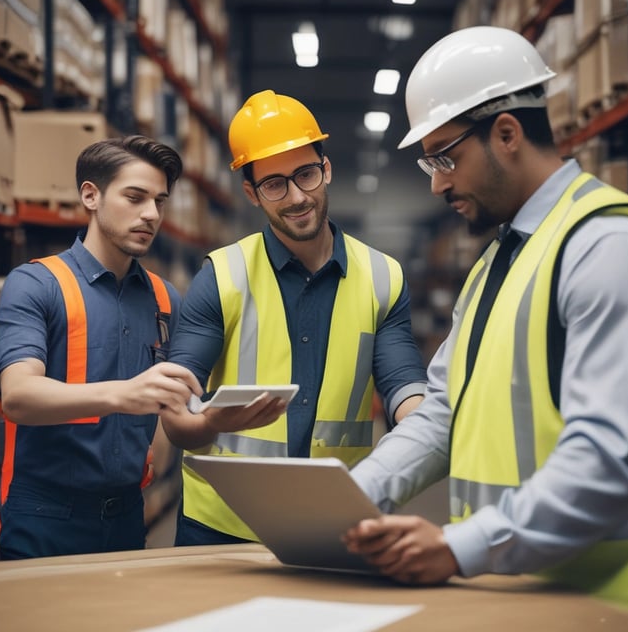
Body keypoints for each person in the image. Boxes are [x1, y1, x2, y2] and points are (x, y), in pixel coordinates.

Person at [342, 26, 628, 623]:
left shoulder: (612, 249)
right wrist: (349, 500)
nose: (437, 183)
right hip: (509, 594)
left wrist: (458, 546)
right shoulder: (498, 264)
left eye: (444, 157)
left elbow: (609, 457)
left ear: (506, 133)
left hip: (618, 607)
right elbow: (441, 415)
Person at [0, 135, 283, 560]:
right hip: (42, 515)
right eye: (135, 197)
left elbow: (176, 419)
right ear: (91, 195)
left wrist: (218, 421)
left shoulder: (165, 300)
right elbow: (18, 397)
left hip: (127, 513)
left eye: (160, 201)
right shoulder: (37, 284)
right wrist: (125, 394)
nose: (151, 214)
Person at [161, 90, 428, 546]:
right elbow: (176, 413)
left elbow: (404, 386)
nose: (297, 196)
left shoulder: (384, 277)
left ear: (326, 170)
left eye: (306, 174)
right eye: (275, 184)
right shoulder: (222, 276)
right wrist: (210, 424)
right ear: (252, 193)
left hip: (335, 515)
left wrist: (427, 429)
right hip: (225, 523)